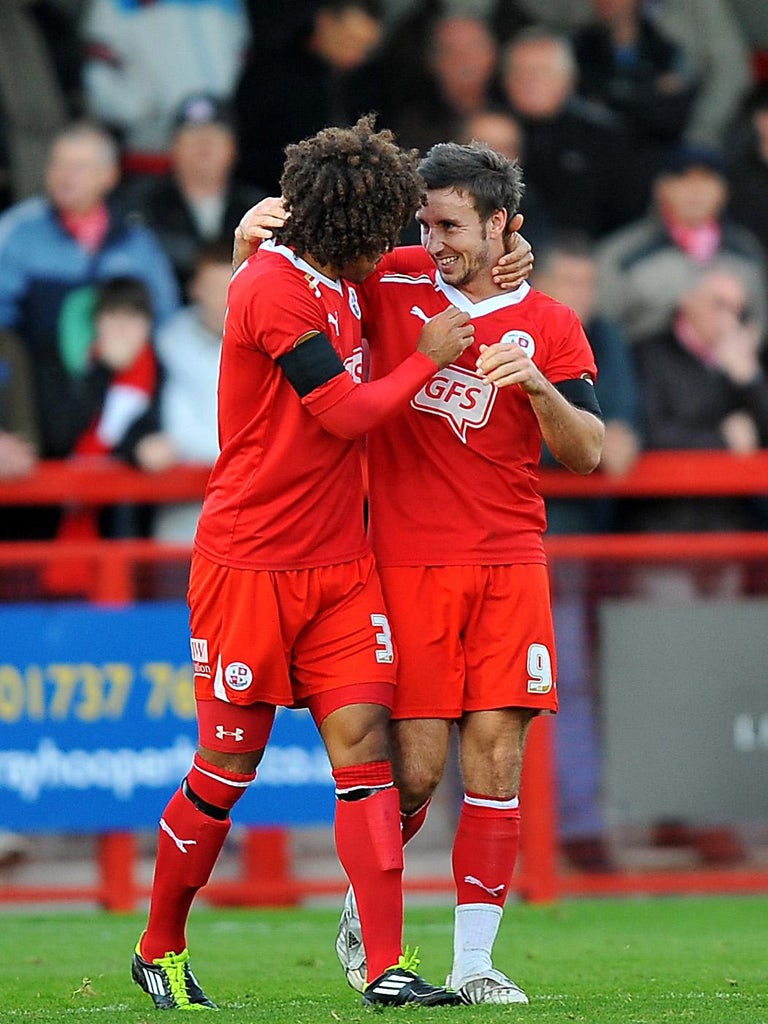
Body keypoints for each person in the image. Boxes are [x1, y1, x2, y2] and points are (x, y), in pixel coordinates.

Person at [237, 140, 603, 1004]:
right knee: (419, 768)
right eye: (423, 221)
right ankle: (372, 905)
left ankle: (474, 964)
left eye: (451, 224)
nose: (432, 240)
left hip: (510, 558)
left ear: (504, 224)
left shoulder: (549, 321)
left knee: (498, 755)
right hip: (405, 560)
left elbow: (589, 453)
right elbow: (299, 268)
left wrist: (539, 392)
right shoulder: (387, 280)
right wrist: (248, 238)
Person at [131, 116, 478, 1012]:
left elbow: (417, 267)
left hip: (339, 564)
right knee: (225, 770)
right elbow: (345, 413)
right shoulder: (272, 291)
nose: (392, 248)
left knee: (366, 751)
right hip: (249, 562)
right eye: (383, 231)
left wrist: (497, 261)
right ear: (342, 231)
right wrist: (427, 359)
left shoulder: (350, 270)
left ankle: (385, 964)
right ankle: (159, 943)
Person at [532, 235, 642, 872]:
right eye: (569, 281)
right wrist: (584, 435)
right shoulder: (515, 324)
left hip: (584, 538)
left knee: (568, 678)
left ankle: (577, 823)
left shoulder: (604, 335)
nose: (581, 296)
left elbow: (620, 430)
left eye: (588, 283)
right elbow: (564, 442)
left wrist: (613, 432)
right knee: (482, 686)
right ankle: (504, 822)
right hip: (523, 530)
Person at [595, 144, 768, 345]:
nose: (695, 191)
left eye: (706, 181)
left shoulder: (745, 252)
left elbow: (759, 325)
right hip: (641, 369)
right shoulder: (625, 252)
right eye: (683, 179)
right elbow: (601, 326)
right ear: (662, 188)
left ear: (723, 192)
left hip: (723, 372)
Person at [81, 0, 249, 177]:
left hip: (215, 131)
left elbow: (240, 50)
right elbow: (100, 62)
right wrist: (140, 109)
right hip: (151, 145)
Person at [121, 93, 266, 298]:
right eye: (192, 136)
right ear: (173, 148)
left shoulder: (257, 207)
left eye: (215, 136)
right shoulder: (142, 204)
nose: (204, 144)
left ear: (233, 149)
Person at [234, 0, 385, 192]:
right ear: (325, 22)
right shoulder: (272, 73)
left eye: (366, 48)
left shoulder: (367, 81)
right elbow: (248, 149)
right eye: (349, 40)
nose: (357, 56)